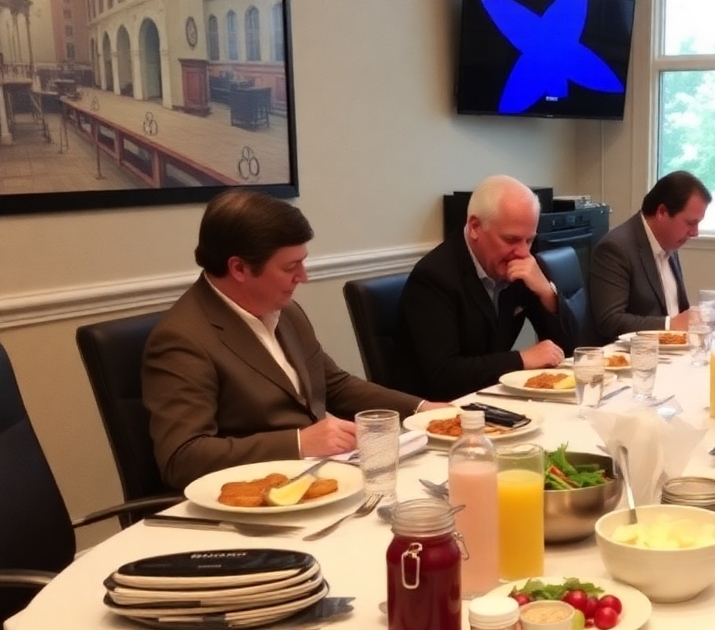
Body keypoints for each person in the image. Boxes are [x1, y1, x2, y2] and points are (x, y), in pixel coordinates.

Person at [143, 190, 444, 490]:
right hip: (255, 495)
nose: (304, 276)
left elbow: (335, 385)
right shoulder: (182, 338)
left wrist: (423, 410)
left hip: (318, 478)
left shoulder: (285, 311)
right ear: (239, 268)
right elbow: (182, 458)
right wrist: (299, 442)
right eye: (290, 267)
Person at [391, 175, 571, 401]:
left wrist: (547, 293)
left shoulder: (521, 266)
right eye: (511, 240)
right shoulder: (433, 278)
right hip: (436, 411)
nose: (523, 252)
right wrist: (521, 359)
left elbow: (570, 350)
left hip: (489, 398)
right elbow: (445, 376)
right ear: (475, 227)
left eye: (529, 240)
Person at [589, 170, 711, 342]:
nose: (695, 233)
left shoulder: (669, 242)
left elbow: (677, 310)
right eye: (690, 223)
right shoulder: (616, 248)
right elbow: (610, 321)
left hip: (674, 349)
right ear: (662, 212)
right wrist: (669, 324)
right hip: (636, 353)